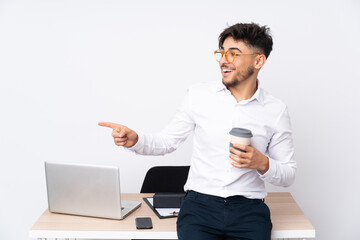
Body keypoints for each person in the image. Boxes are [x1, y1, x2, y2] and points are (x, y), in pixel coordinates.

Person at [99, 22, 296, 240]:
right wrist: (135, 140)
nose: (224, 60)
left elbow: (288, 174)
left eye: (234, 54)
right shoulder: (198, 96)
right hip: (200, 209)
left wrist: (261, 163)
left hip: (249, 211)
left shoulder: (276, 110)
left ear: (258, 60)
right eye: (221, 53)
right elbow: (167, 141)